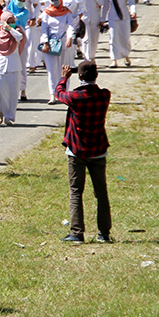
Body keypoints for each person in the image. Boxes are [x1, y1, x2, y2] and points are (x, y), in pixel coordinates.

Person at [56, 62, 111, 243]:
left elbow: (59, 93)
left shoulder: (74, 97)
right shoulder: (104, 95)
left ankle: (77, 232)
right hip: (98, 150)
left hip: (77, 150)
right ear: (96, 76)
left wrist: (64, 77)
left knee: (76, 192)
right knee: (101, 192)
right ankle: (104, 233)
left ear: (79, 77)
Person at [0, 11, 26, 126]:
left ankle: (9, 117)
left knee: (12, 93)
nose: (11, 24)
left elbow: (20, 37)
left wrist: (10, 28)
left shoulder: (17, 32)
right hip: (1, 67)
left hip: (14, 67)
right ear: (3, 22)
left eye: (12, 22)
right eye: (8, 22)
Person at [40, 0, 78, 104]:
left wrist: (70, 38)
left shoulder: (66, 12)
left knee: (64, 68)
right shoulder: (47, 12)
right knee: (51, 70)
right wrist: (45, 42)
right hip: (50, 44)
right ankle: (52, 94)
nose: (55, 2)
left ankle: (63, 93)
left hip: (64, 43)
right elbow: (44, 29)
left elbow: (71, 26)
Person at [100, 0, 136, 68]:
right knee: (113, 38)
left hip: (124, 17)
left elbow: (131, 2)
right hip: (113, 18)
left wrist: (133, 11)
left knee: (125, 38)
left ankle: (126, 56)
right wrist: (103, 19)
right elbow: (106, 6)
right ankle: (113, 60)